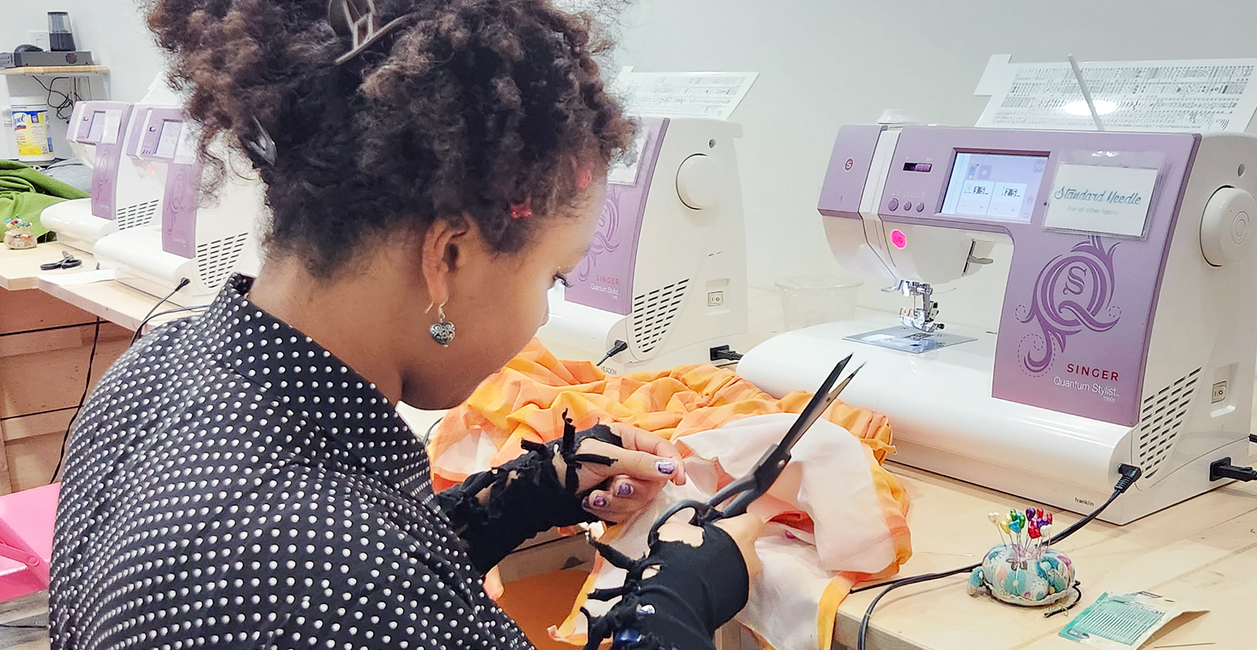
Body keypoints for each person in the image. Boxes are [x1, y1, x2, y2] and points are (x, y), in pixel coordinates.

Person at [47, 1, 761, 649]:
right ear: (447, 255)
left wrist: (525, 494)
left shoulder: (162, 367)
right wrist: (677, 598)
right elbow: (354, 580)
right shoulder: (330, 572)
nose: (544, 313)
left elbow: (373, 559)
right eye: (553, 278)